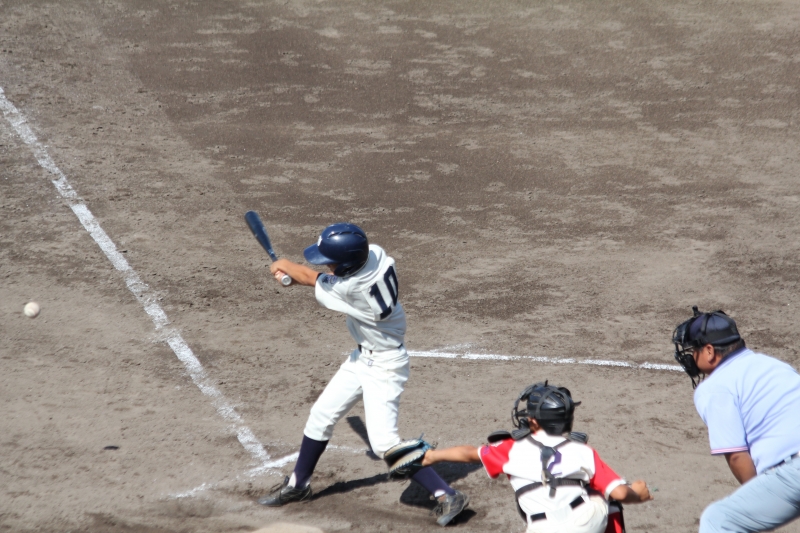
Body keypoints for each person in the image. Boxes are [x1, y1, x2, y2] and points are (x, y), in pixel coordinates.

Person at [257, 222, 469, 526]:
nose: (327, 265)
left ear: (346, 264)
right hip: (362, 358)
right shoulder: (375, 256)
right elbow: (321, 275)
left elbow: (309, 277)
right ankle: (298, 485)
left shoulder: (352, 289)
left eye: (331, 261)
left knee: (384, 444)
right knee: (321, 415)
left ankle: (447, 494)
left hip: (384, 366)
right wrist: (289, 273)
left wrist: (283, 267)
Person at [417, 382, 653, 533]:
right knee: (606, 496)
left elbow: (468, 454)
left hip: (542, 528)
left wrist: (431, 457)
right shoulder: (582, 450)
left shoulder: (509, 448)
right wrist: (638, 493)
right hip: (585, 522)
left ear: (533, 421)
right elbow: (621, 493)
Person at [673, 306, 800, 533]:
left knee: (718, 519)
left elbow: (737, 456)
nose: (690, 356)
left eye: (693, 350)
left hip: (794, 472)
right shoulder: (773, 365)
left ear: (709, 351)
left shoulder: (714, 387)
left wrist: (757, 504)